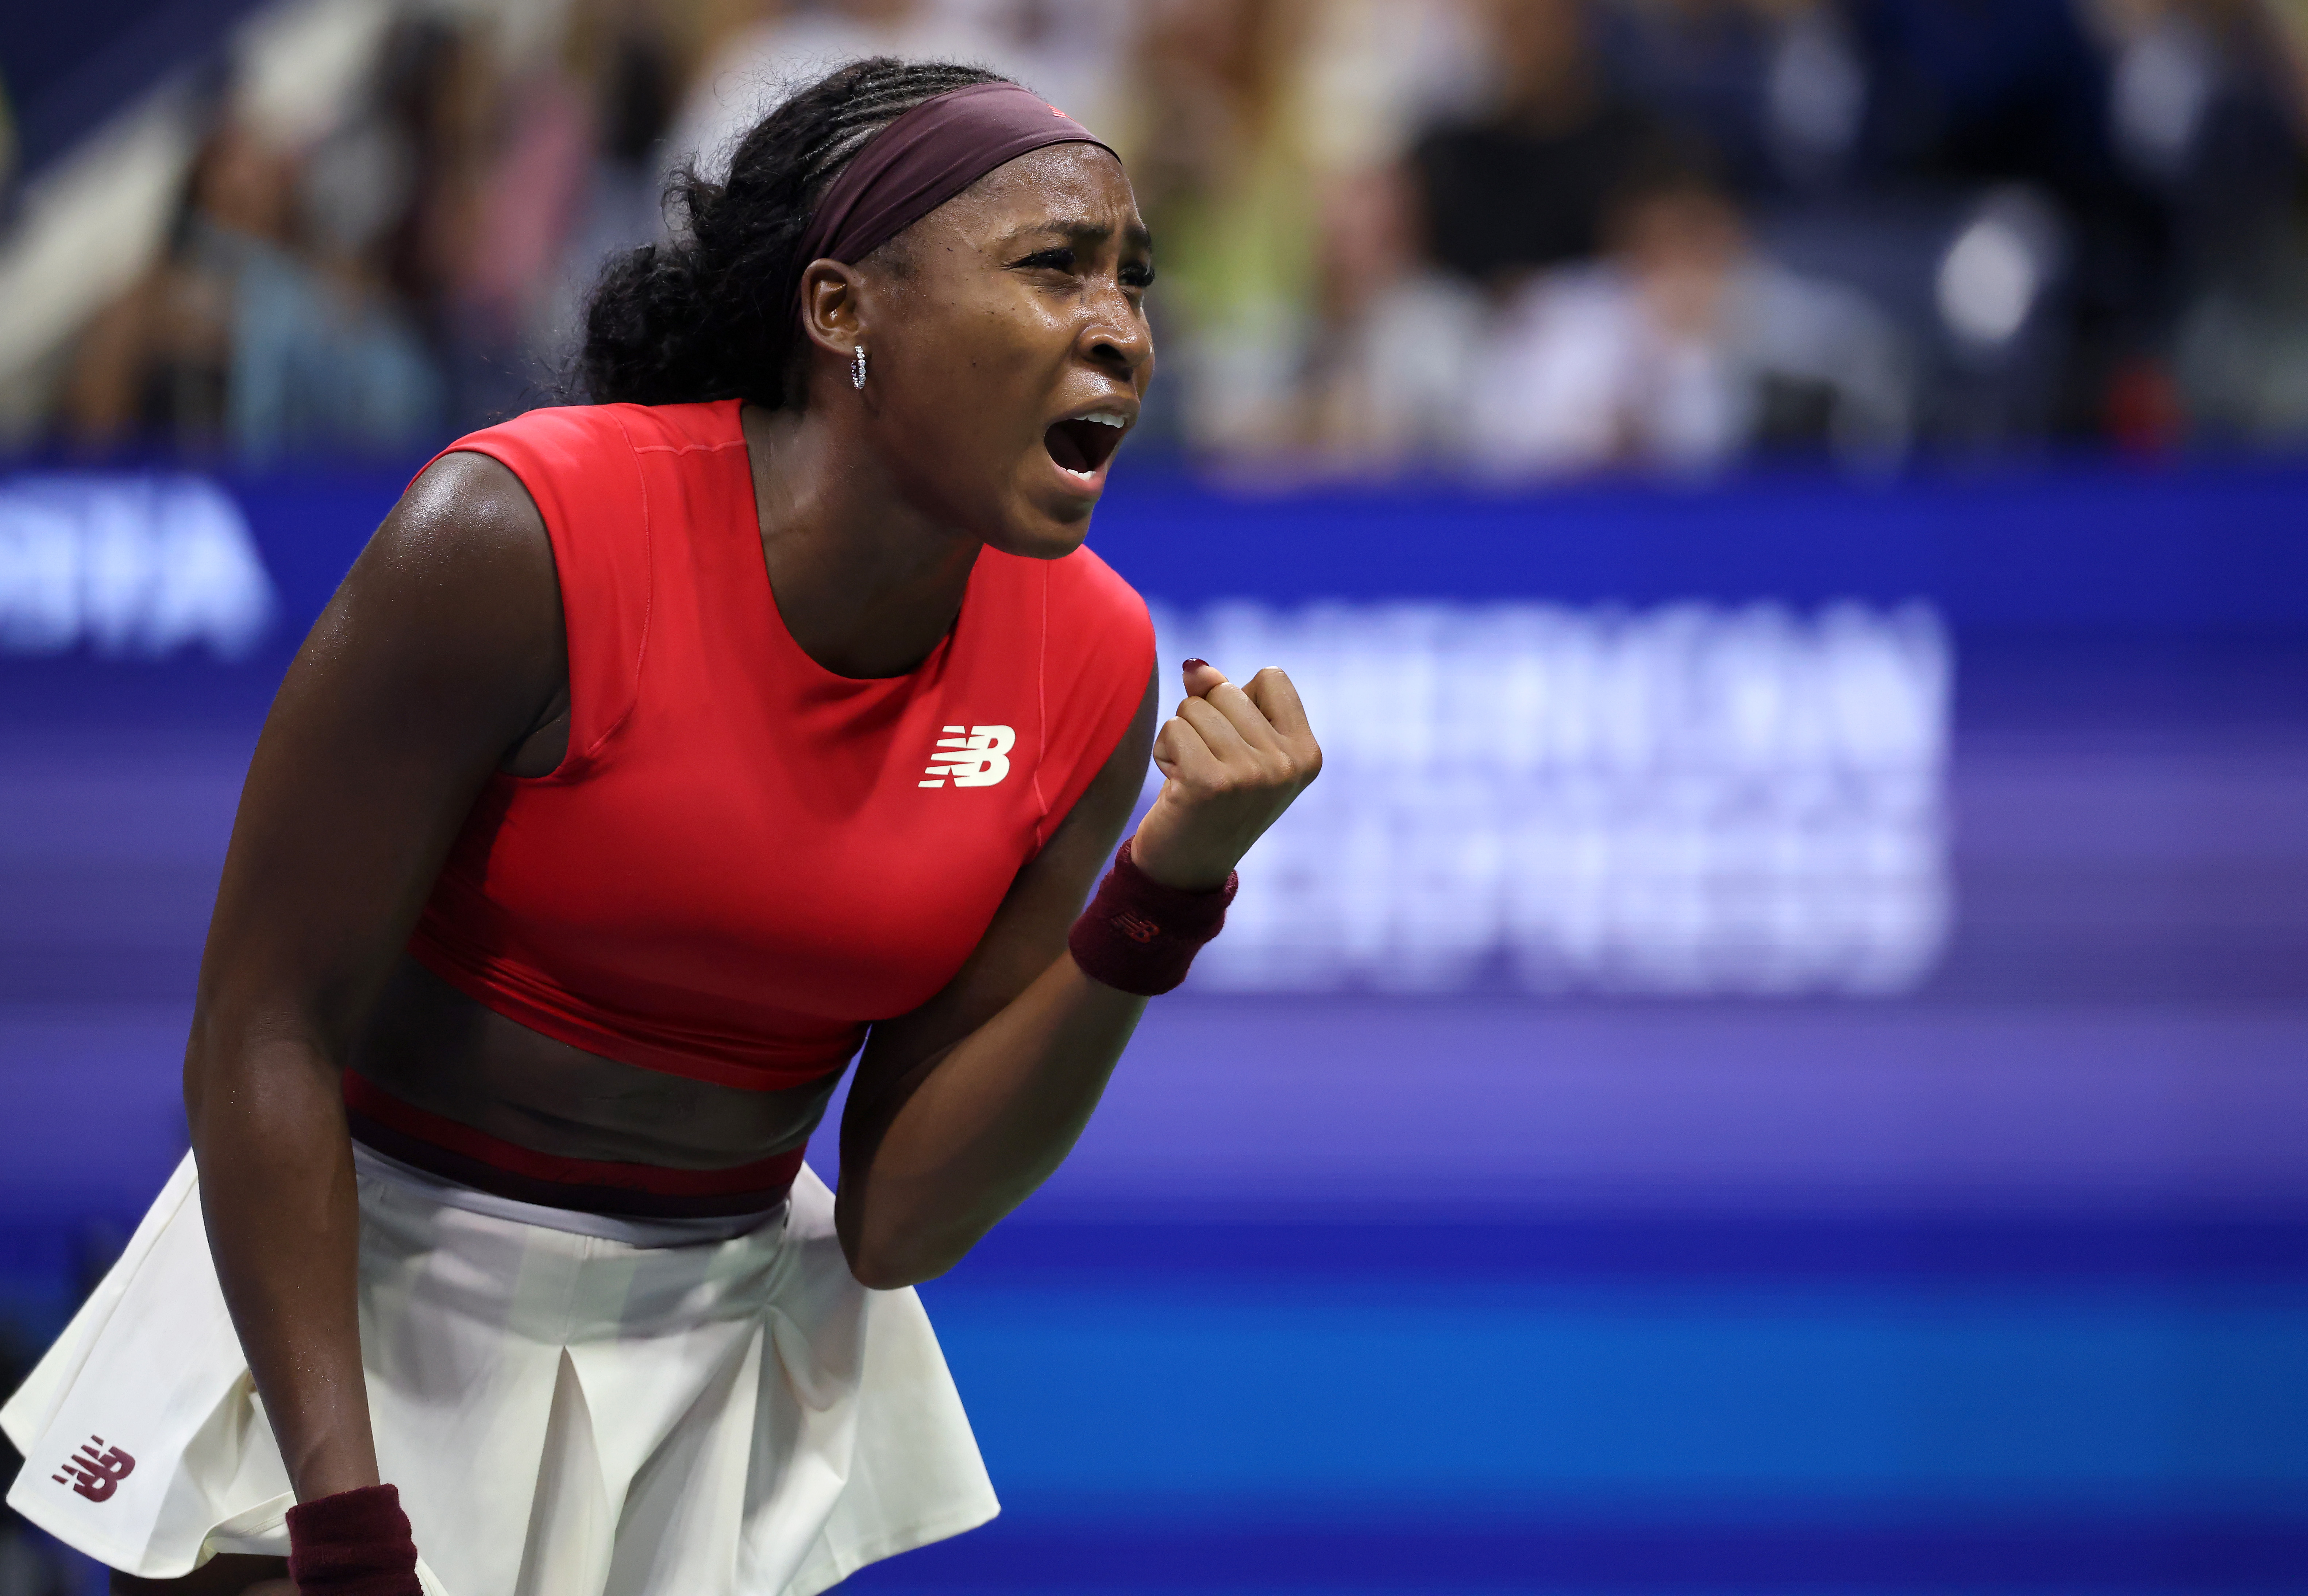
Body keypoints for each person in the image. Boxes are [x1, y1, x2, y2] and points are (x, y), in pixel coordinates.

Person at [3, 58, 1320, 1596]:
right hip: (345, 1306)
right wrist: (344, 1516)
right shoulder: (517, 535)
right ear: (842, 314)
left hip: (718, 1338)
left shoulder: (1092, 655)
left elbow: (897, 1216)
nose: (1119, 326)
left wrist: (1160, 893)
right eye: (1054, 267)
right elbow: (264, 1027)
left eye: (1133, 282)